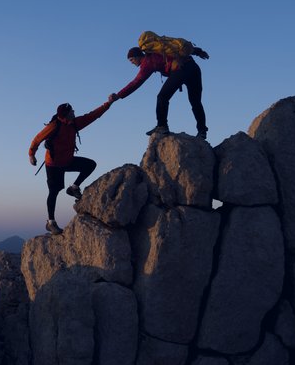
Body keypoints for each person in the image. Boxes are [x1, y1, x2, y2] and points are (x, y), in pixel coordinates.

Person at [28, 100, 113, 235]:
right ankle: (51, 222)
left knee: (90, 165)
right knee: (54, 191)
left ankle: (73, 188)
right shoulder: (53, 126)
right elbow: (36, 140)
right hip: (53, 164)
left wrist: (108, 103)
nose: (74, 112)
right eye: (72, 111)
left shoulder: (74, 124)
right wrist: (31, 155)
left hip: (67, 160)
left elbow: (92, 116)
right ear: (66, 114)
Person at [108, 43, 210, 139]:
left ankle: (162, 126)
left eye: (131, 59)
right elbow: (179, 49)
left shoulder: (147, 62)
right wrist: (198, 52)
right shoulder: (158, 51)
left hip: (181, 70)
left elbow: (136, 82)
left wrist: (118, 95)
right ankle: (202, 131)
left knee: (162, 97)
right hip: (194, 68)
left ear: (137, 56)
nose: (131, 62)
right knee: (196, 102)